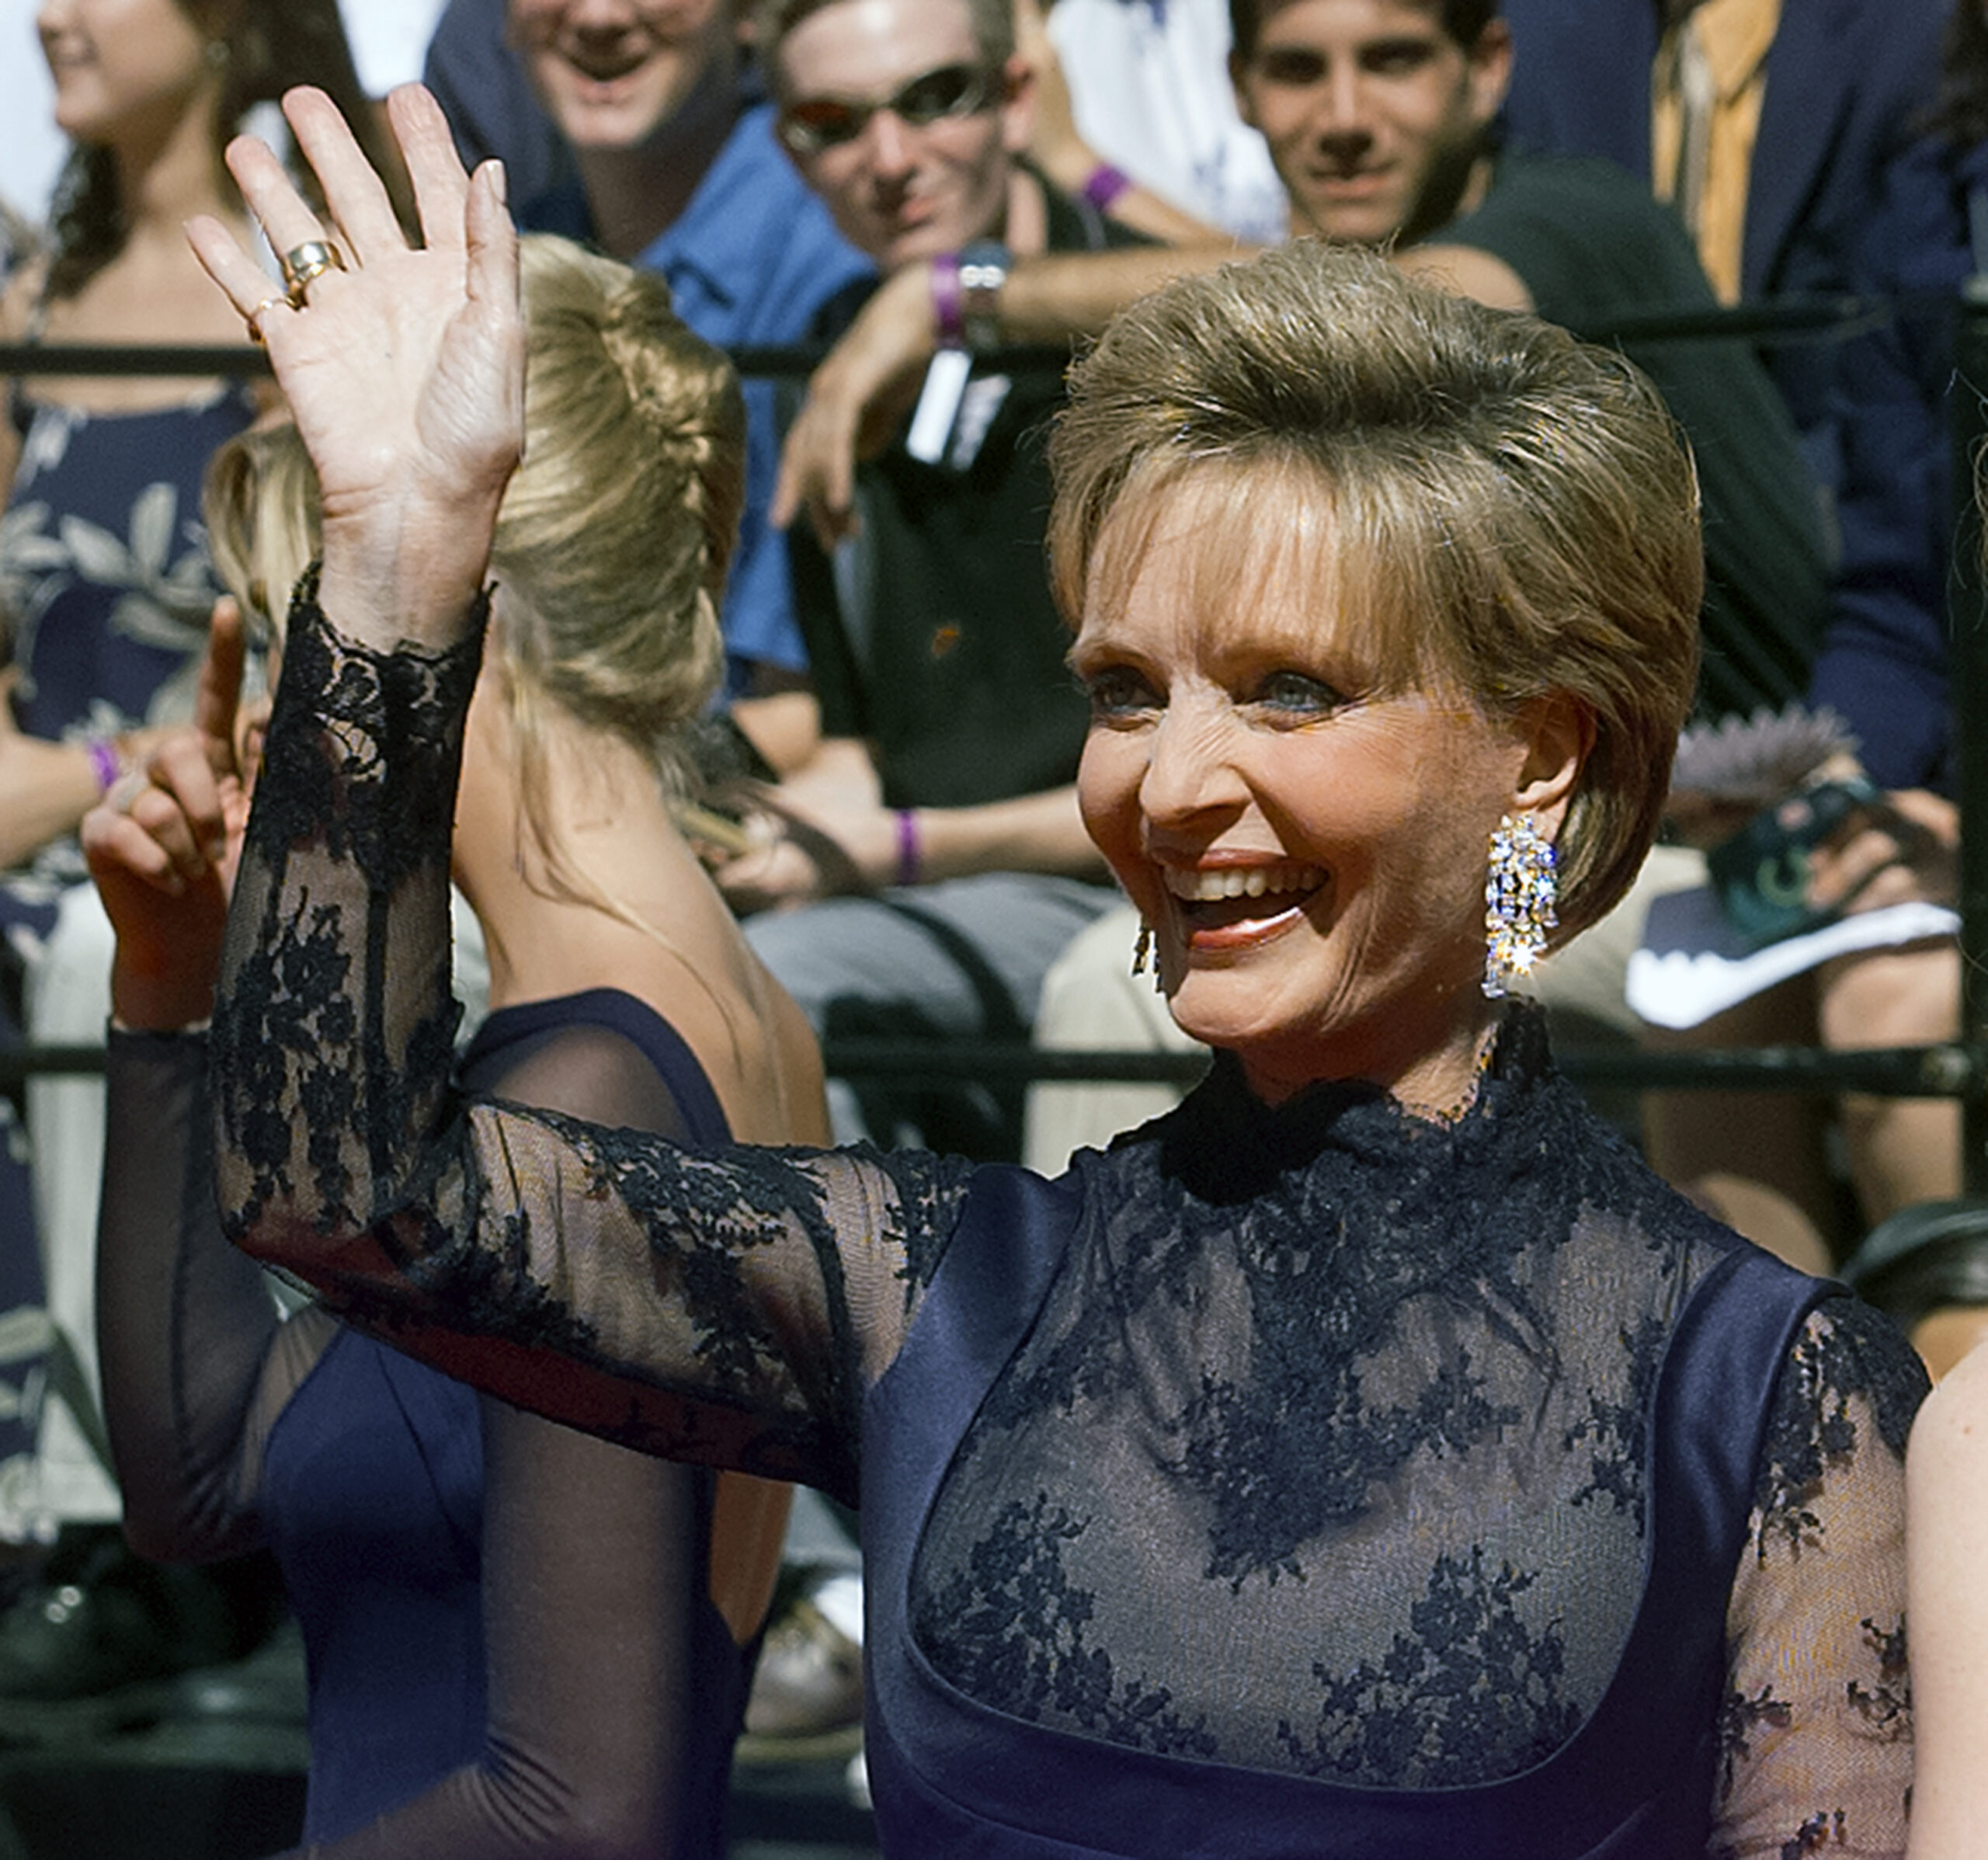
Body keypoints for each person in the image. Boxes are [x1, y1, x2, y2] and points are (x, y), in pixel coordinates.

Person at [185, 84, 1924, 1856]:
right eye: (1119, 692)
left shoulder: (1770, 1412)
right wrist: (400, 576)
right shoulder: (944, 1303)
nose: (1166, 785)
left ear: (1538, 752)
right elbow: (340, 1187)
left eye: (1287, 689)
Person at [85, 230, 822, 1854]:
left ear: (446, 596)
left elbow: (575, 1813)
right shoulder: (688, 1018)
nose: (276, 701)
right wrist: (170, 994)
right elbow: (204, 1474)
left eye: (309, 616)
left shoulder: (589, 1087)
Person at [0, 0, 399, 1673]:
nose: (49, 18)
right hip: (47, 803)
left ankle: (113, 1511)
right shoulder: (33, 305)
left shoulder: (304, 292)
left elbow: (333, 609)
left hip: (237, 795)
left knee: (86, 935)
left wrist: (87, 774)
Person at [713, 0, 1141, 1158]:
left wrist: (899, 849)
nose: (891, 159)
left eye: (935, 97)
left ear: (1014, 97)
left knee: (772, 987)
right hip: (929, 894)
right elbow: (861, 739)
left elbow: (1182, 778)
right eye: (832, 122)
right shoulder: (835, 350)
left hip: (1133, 890)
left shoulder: (1152, 335)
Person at [486, 0, 870, 763]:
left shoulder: (838, 258)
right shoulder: (510, 241)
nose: (597, 16)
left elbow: (814, 709)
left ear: (748, 17)